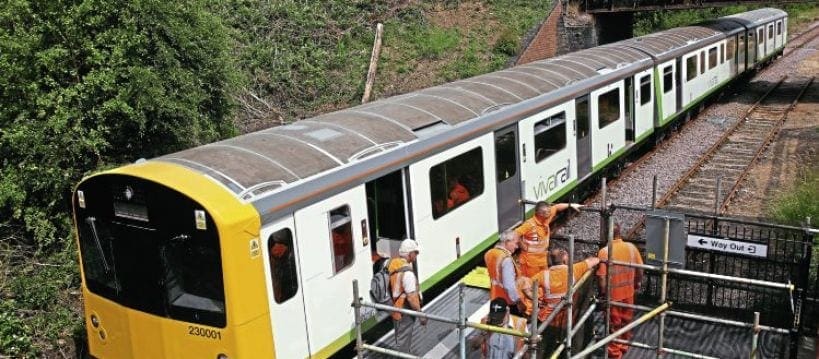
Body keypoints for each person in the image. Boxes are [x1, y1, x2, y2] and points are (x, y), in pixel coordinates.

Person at [530, 248, 599, 356]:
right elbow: (595, 261)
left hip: (547, 320)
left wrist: (535, 299)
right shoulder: (574, 270)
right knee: (564, 346)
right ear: (565, 259)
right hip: (566, 319)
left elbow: (524, 285)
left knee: (545, 349)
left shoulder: (543, 275)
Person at [596, 223, 644, 359]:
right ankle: (624, 346)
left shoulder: (604, 252)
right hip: (628, 293)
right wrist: (637, 283)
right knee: (626, 321)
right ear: (619, 232)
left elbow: (602, 278)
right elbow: (640, 269)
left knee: (613, 325)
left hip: (613, 296)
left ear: (606, 234)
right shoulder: (631, 248)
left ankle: (615, 353)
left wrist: (603, 294)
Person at [514, 202, 583, 277]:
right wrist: (523, 246)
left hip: (542, 259)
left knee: (545, 280)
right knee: (533, 283)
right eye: (546, 213)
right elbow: (515, 234)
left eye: (549, 212)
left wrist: (570, 205)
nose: (549, 214)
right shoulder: (529, 225)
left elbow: (556, 207)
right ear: (539, 214)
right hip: (530, 262)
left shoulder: (546, 218)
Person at [389, 239, 427, 354]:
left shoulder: (393, 264)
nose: (416, 256)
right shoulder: (408, 273)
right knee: (403, 345)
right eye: (416, 253)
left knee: (400, 340)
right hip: (404, 312)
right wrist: (421, 314)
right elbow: (411, 298)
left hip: (395, 309)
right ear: (410, 254)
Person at [485, 230, 525, 316]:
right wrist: (518, 302)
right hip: (508, 302)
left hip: (495, 297)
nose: (517, 247)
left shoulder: (490, 253)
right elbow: (509, 286)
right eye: (516, 243)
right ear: (507, 242)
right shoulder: (506, 259)